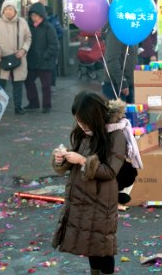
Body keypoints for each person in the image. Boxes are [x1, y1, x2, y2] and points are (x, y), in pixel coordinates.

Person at [51, 91, 128, 275]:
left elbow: (110, 171)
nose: (81, 125)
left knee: (103, 245)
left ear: (95, 116)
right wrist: (62, 159)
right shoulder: (84, 132)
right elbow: (75, 159)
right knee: (90, 244)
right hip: (82, 197)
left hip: (102, 199)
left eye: (84, 121)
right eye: (78, 121)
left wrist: (83, 161)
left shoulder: (116, 135)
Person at [0, 0, 32, 115]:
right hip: (1, 58)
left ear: (15, 10)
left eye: (10, 9)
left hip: (18, 57)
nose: (8, 11)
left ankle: (18, 107)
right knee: (0, 85)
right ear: (2, 11)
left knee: (18, 84)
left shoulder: (22, 22)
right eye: (6, 9)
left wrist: (23, 50)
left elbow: (28, 38)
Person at [25, 2, 59, 113]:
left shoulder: (48, 27)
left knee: (46, 86)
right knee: (29, 82)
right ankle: (33, 103)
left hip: (45, 62)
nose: (33, 17)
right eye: (32, 15)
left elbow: (54, 45)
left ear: (41, 15)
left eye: (35, 15)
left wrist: (46, 56)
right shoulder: (28, 27)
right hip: (32, 61)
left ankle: (46, 105)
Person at [102, 25, 137, 104]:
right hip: (116, 86)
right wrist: (122, 83)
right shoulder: (116, 31)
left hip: (127, 84)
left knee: (129, 115)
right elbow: (111, 60)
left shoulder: (131, 30)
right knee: (118, 115)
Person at [45, 5, 64, 90]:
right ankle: (48, 83)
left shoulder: (54, 21)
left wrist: (54, 38)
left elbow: (61, 32)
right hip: (45, 47)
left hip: (54, 47)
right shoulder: (44, 21)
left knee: (52, 66)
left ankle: (52, 84)